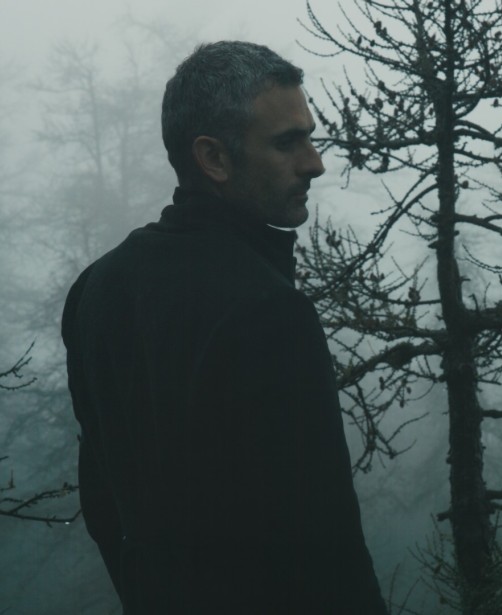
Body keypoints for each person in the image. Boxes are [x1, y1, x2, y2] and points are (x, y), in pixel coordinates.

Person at [61, 41, 388, 614]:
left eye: (310, 138)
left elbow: (104, 506)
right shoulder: (270, 312)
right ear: (213, 158)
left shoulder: (96, 289)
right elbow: (327, 550)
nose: (314, 162)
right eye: (287, 142)